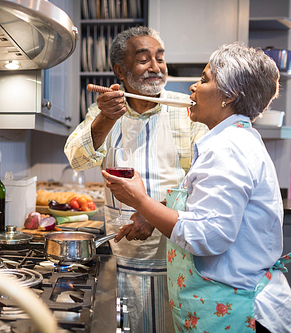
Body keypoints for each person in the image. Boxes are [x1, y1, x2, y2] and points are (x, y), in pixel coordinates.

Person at [102, 42, 291, 332]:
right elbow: (204, 213)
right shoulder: (230, 141)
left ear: (229, 95)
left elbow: (207, 237)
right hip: (218, 304)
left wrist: (140, 201)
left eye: (204, 80)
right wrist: (153, 210)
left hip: (236, 312)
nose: (193, 87)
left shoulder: (229, 149)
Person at [64, 26, 208, 332]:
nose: (156, 67)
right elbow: (77, 158)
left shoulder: (186, 110)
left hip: (175, 252)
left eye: (160, 58)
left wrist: (152, 212)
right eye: (144, 59)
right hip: (122, 253)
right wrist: (105, 118)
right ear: (120, 70)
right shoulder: (103, 111)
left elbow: (202, 181)